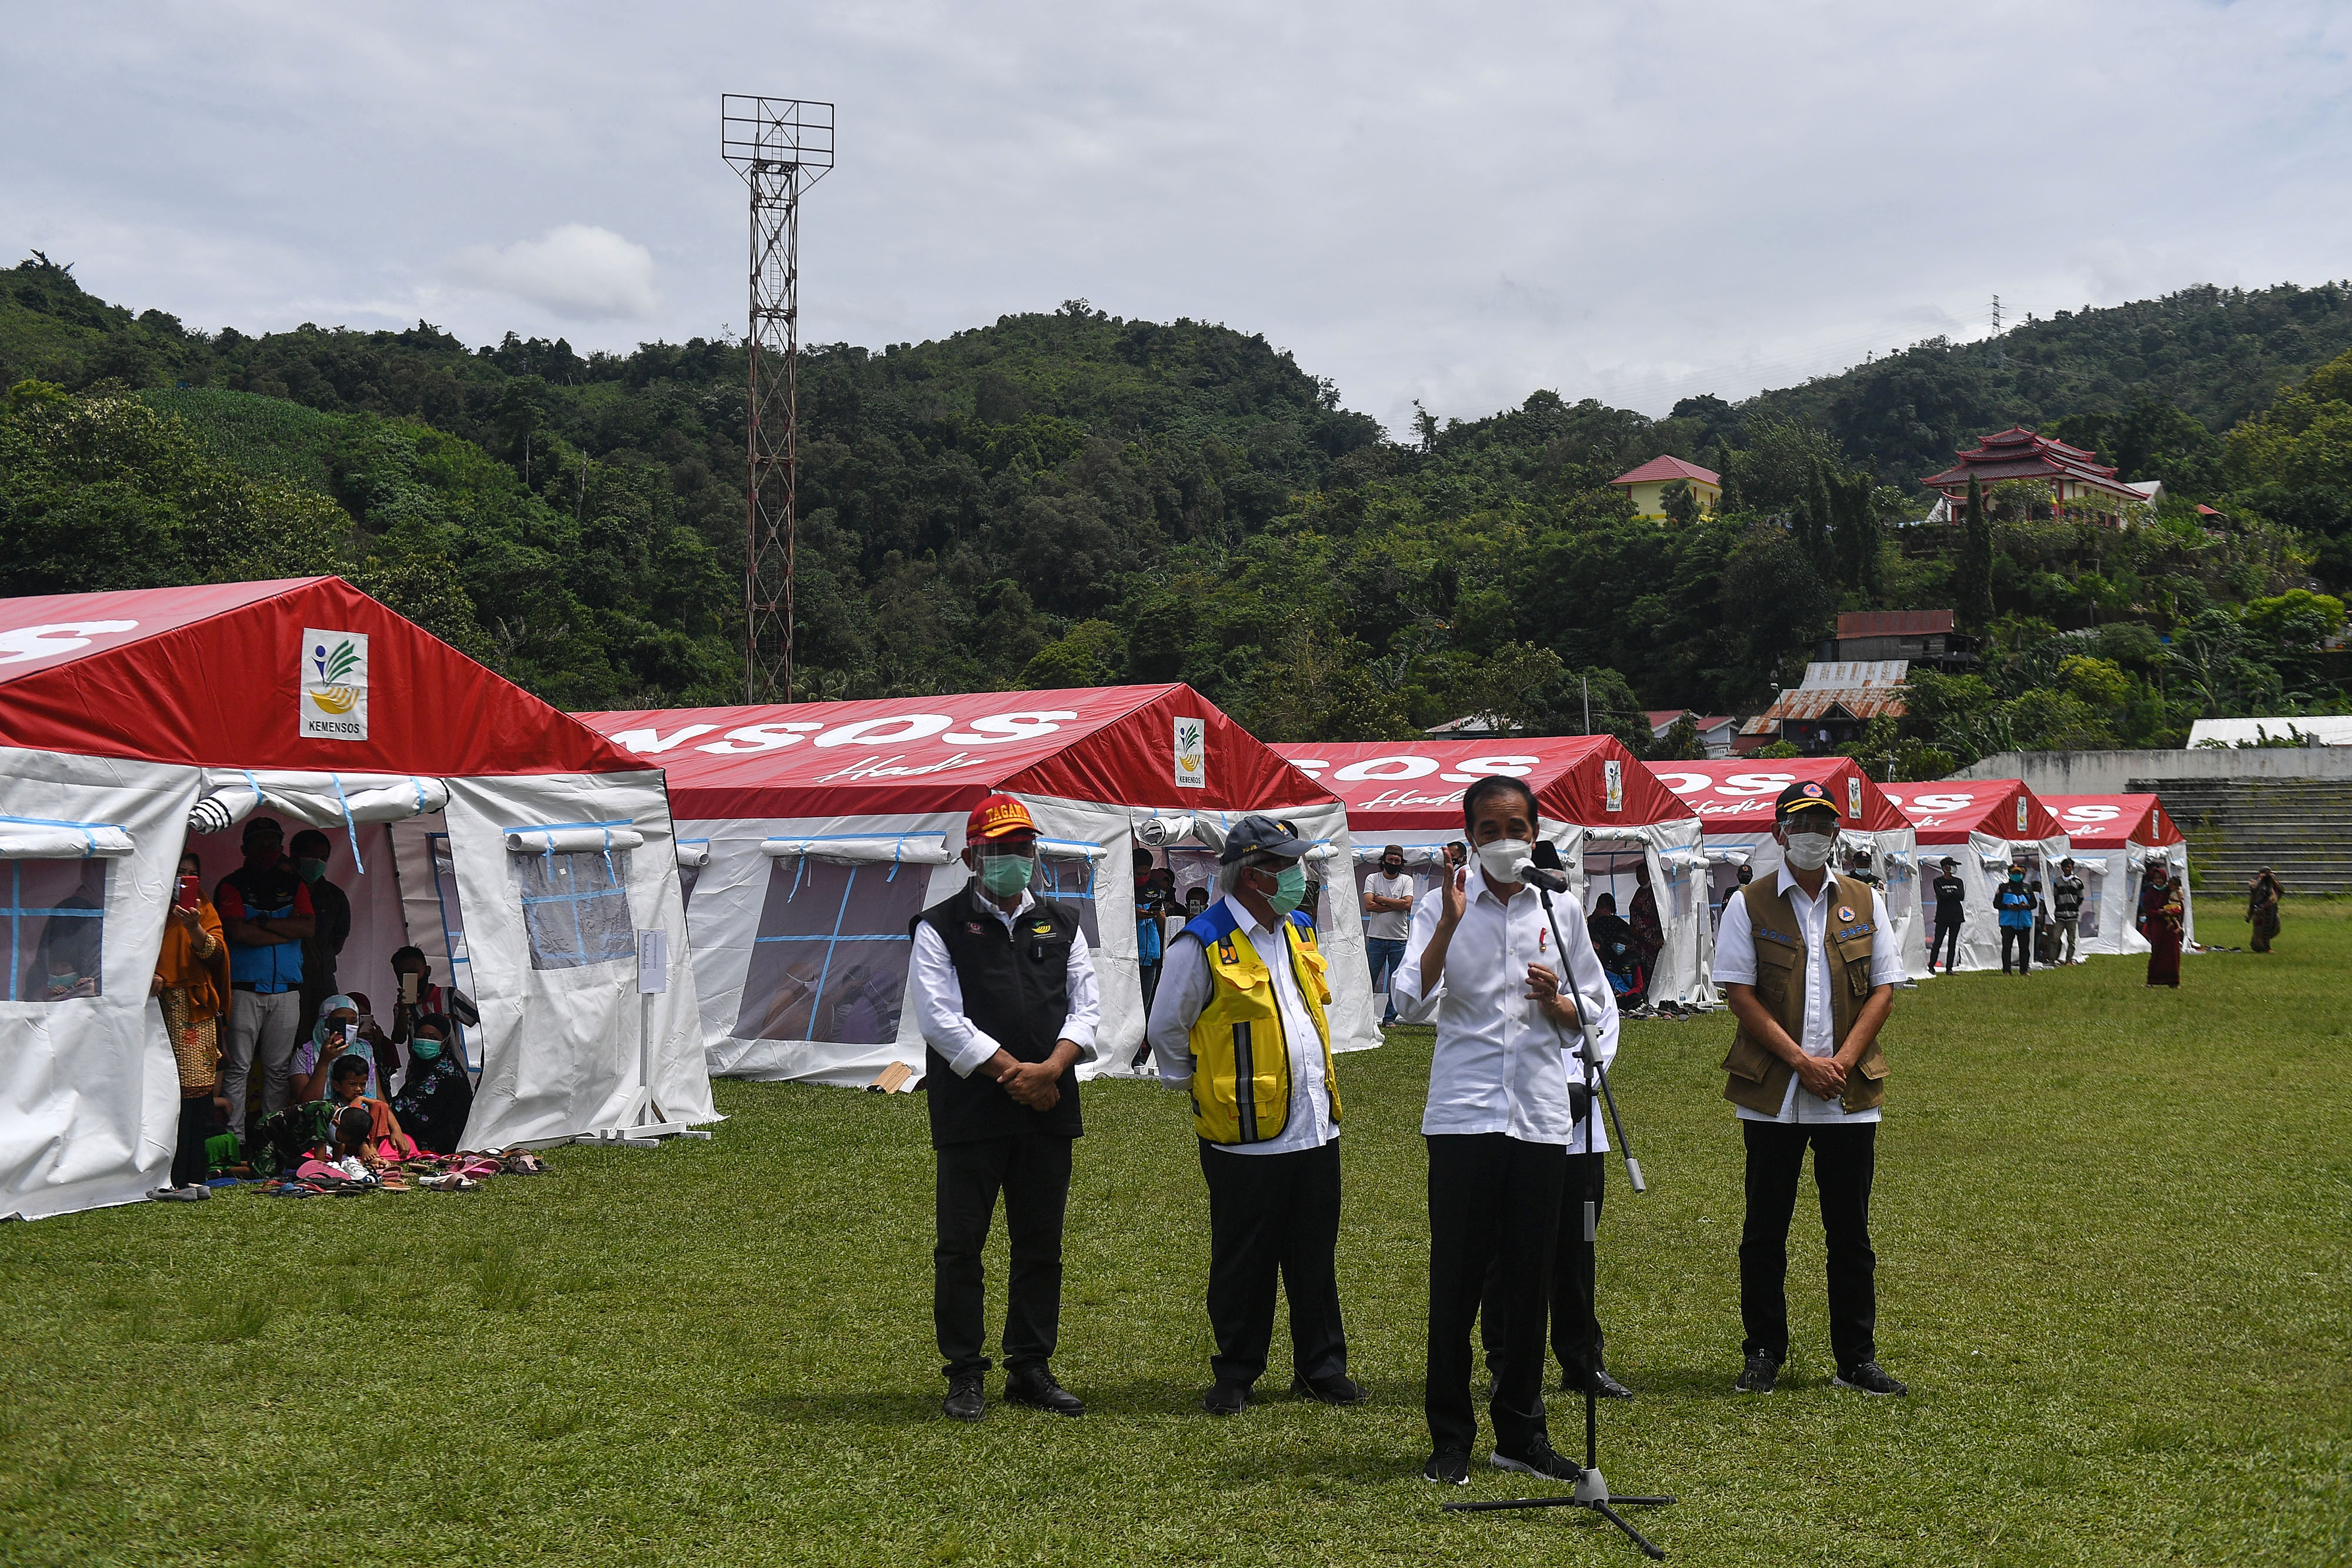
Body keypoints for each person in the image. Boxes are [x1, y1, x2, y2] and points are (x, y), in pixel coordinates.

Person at [1395, 775, 1618, 1485]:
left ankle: (1520, 1435)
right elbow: (1406, 1003)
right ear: (1468, 837)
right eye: (1487, 830)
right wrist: (1451, 925)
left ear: (1534, 831)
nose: (1501, 841)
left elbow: (1595, 1015)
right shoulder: (1438, 904)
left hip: (1540, 1118)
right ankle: (1449, 1437)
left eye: (1513, 826)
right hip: (1462, 1117)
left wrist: (1558, 1004)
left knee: (1529, 1280)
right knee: (1456, 1282)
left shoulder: (1561, 909)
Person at [1147, 815, 1358, 1416]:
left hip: (1314, 1124)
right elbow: (1167, 1025)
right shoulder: (1204, 940)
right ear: (1254, 874)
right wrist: (1200, 1086)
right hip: (1244, 1136)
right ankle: (1237, 1371)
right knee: (1244, 1259)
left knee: (1314, 1257)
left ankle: (1322, 1367)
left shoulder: (1296, 928)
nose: (1297, 877)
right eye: (1286, 866)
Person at [1715, 780, 1909, 1399]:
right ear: (1778, 833)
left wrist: (1842, 1061)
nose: (1812, 836)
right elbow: (1738, 993)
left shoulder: (1864, 900)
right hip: (1773, 1092)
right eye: (1801, 825)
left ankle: (1855, 1358)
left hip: (1847, 1098)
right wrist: (1802, 1061)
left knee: (1849, 1233)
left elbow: (1882, 988)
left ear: (1836, 835)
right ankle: (1763, 1351)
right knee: (1764, 1230)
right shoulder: (1747, 903)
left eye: (1823, 825)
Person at [908, 794, 1098, 1422]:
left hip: (1049, 1103)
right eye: (999, 850)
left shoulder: (1062, 923)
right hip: (972, 1110)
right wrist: (1013, 1071)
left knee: (1040, 1243)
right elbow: (939, 1018)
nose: (1014, 860)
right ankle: (965, 1373)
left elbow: (1088, 1007)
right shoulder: (938, 925)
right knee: (961, 1247)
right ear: (971, 857)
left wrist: (1051, 1069)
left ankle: (1029, 1367)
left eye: (1022, 848)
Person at [215, 816, 316, 1134]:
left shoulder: (294, 883)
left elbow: (309, 928)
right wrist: (286, 931)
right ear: (245, 847)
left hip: (286, 989)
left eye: (273, 842)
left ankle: (270, 1138)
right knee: (238, 1067)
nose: (267, 849)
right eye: (260, 843)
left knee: (278, 1069)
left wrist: (261, 924)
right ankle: (236, 1138)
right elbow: (237, 932)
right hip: (244, 988)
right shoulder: (232, 884)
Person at [153, 850, 232, 1201]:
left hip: (191, 1009)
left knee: (195, 1092)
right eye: (178, 871)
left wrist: (193, 926)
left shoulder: (203, 910)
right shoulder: (149, 906)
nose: (183, 879)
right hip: (153, 1006)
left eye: (190, 873)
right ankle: (166, 1174)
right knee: (160, 1090)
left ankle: (190, 1177)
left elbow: (216, 955)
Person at [288, 828, 352, 1032]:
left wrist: (319, 959)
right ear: (295, 856)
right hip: (286, 980)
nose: (317, 862)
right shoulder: (281, 891)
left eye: (323, 857)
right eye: (311, 856)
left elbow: (338, 943)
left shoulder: (335, 896)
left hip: (323, 978)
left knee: (327, 1031)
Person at [389, 1012, 473, 1154]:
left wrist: (384, 1107)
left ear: (445, 1042)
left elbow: (417, 1110)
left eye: (433, 1038)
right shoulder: (419, 1065)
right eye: (421, 1036)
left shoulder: (445, 1071)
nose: (425, 1042)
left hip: (442, 1142)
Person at [1362, 845, 1416, 1028]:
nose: (1393, 863)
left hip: (1399, 939)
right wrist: (1397, 904)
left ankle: (1390, 1018)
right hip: (1376, 938)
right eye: (1390, 860)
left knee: (1396, 980)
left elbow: (1408, 904)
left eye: (1397, 861)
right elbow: (1369, 905)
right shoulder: (1372, 878)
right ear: (1383, 860)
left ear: (1401, 863)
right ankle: (1365, 1016)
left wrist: (1382, 899)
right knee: (1369, 978)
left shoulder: (1406, 880)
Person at [2139, 860, 2185, 988]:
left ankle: (2173, 981)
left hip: (2170, 929)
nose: (2158, 881)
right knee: (2157, 953)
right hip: (2157, 927)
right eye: (2156, 878)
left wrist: (2174, 912)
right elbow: (2148, 909)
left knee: (2172, 954)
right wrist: (2159, 913)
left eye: (2160, 878)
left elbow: (2179, 905)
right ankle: (2152, 980)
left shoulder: (2169, 891)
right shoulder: (2150, 893)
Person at [1134, 852, 1169, 1017]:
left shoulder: (1154, 888)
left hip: (1153, 955)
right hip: (1131, 956)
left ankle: (1143, 1038)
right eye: (1139, 874)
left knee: (1146, 1002)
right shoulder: (1123, 886)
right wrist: (1134, 914)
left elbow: (1162, 924)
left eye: (1146, 874)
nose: (1143, 878)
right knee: (1131, 1002)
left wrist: (1158, 914)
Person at [1626, 861, 1663, 1005]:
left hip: (1652, 939)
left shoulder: (1656, 893)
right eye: (1638, 876)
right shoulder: (1639, 892)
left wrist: (1660, 935)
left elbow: (1661, 916)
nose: (1640, 878)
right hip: (1639, 940)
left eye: (1643, 875)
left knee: (1652, 969)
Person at [1926, 857, 1965, 975]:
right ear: (1945, 868)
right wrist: (1951, 895)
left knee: (1952, 943)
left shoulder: (1959, 881)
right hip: (1942, 916)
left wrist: (1947, 895)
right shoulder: (1938, 881)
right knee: (1938, 942)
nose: (1955, 868)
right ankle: (1931, 966)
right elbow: (1941, 895)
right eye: (1952, 866)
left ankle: (1949, 969)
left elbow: (1961, 896)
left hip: (1956, 916)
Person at [1994, 864, 2035, 977]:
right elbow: (1996, 904)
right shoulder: (2003, 888)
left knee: (2025, 948)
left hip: (2024, 921)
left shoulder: (2027, 888)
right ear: (2009, 874)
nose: (2017, 875)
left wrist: (2026, 906)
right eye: (2014, 873)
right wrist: (2008, 906)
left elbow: (2034, 904)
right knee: (2007, 947)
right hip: (2008, 922)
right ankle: (2007, 970)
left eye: (2019, 873)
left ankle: (2024, 970)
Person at [2050, 858, 2087, 965]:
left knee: (2071, 939)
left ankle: (2069, 960)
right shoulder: (2058, 882)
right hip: (2060, 915)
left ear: (2072, 868)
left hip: (2072, 915)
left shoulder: (2078, 882)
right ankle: (2052, 960)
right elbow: (2056, 896)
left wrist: (2074, 906)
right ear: (2062, 868)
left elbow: (2080, 897)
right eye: (2065, 867)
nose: (2067, 869)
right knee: (2055, 938)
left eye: (2069, 867)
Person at [2247, 867, 2282, 954]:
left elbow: (2281, 890)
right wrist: (2260, 878)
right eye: (2265, 873)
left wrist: (2274, 880)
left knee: (2276, 928)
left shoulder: (2271, 883)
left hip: (2272, 908)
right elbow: (2253, 888)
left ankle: (2259, 942)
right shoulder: (2256, 881)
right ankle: (2267, 947)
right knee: (2263, 929)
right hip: (2260, 911)